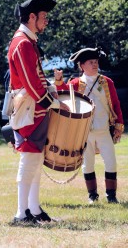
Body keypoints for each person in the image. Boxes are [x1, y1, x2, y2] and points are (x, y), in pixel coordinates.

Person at [8, 0, 69, 224]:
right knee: (29, 158)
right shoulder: (22, 42)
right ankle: (21, 213)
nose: (46, 22)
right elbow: (31, 84)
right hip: (30, 110)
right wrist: (52, 102)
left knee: (35, 159)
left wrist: (52, 90)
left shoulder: (28, 41)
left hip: (36, 109)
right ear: (31, 17)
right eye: (43, 17)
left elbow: (38, 79)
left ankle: (33, 209)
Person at [54, 47, 124, 204]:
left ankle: (111, 196)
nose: (94, 65)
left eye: (96, 62)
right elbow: (62, 95)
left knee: (111, 161)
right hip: (84, 131)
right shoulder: (75, 83)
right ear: (82, 66)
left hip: (103, 129)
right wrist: (59, 81)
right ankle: (92, 195)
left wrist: (119, 122)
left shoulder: (107, 82)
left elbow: (115, 104)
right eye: (91, 62)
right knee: (88, 163)